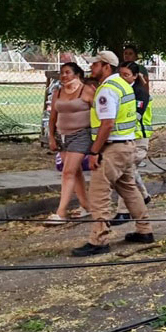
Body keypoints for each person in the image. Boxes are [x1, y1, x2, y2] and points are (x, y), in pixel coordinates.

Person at [71, 51, 154, 257]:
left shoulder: (107, 90)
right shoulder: (124, 85)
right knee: (129, 189)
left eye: (95, 64)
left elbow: (107, 124)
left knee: (98, 193)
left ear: (106, 66)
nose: (91, 68)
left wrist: (94, 151)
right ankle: (144, 230)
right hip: (127, 145)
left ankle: (99, 239)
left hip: (113, 148)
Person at [45, 62, 95, 224]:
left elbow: (99, 113)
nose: (64, 75)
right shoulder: (58, 92)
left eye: (67, 72)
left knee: (68, 172)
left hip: (80, 135)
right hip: (62, 136)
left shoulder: (86, 90)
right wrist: (51, 137)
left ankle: (61, 212)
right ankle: (86, 206)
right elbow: (53, 117)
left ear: (77, 74)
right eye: (62, 73)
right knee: (75, 172)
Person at [112, 61, 153, 225]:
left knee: (125, 172)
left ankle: (123, 212)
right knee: (128, 171)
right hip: (126, 138)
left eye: (126, 75)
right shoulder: (121, 90)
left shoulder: (139, 93)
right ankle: (143, 196)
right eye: (120, 74)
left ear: (135, 76)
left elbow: (134, 117)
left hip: (138, 138)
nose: (122, 78)